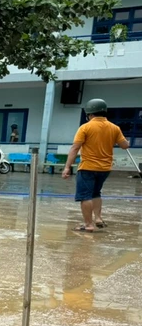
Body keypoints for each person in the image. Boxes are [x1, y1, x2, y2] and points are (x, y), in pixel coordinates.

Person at [63, 98, 130, 232]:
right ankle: (98, 218)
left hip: (87, 167)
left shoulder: (85, 127)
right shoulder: (114, 128)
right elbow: (125, 145)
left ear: (90, 114)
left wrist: (67, 167)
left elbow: (75, 148)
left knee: (85, 196)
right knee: (96, 193)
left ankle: (88, 225)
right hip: (105, 168)